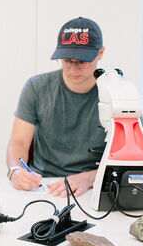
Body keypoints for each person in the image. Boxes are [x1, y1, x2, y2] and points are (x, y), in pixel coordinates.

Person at [6, 17, 106, 198]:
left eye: (82, 61)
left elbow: (132, 161)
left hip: (95, 186)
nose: (73, 69)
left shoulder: (119, 93)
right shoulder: (36, 87)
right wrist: (16, 171)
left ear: (100, 53)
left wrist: (90, 178)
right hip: (43, 185)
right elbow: (18, 142)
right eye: (67, 60)